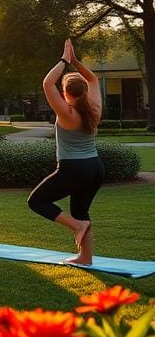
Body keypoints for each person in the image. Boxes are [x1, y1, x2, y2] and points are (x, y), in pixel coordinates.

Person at [28, 38, 104, 264]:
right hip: (95, 168)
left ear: (66, 92)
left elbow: (47, 83)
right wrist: (77, 62)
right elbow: (93, 78)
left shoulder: (67, 113)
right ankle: (86, 257)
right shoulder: (94, 109)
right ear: (84, 91)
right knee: (81, 210)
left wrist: (65, 59)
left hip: (74, 168)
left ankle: (76, 226)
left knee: (37, 201)